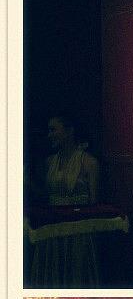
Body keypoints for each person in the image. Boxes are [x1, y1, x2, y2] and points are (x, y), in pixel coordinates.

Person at [29, 113, 100, 287]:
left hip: (78, 233)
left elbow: (94, 204)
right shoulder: (49, 162)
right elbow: (44, 197)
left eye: (53, 130)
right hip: (51, 231)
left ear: (69, 131)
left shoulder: (89, 163)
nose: (49, 135)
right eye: (48, 130)